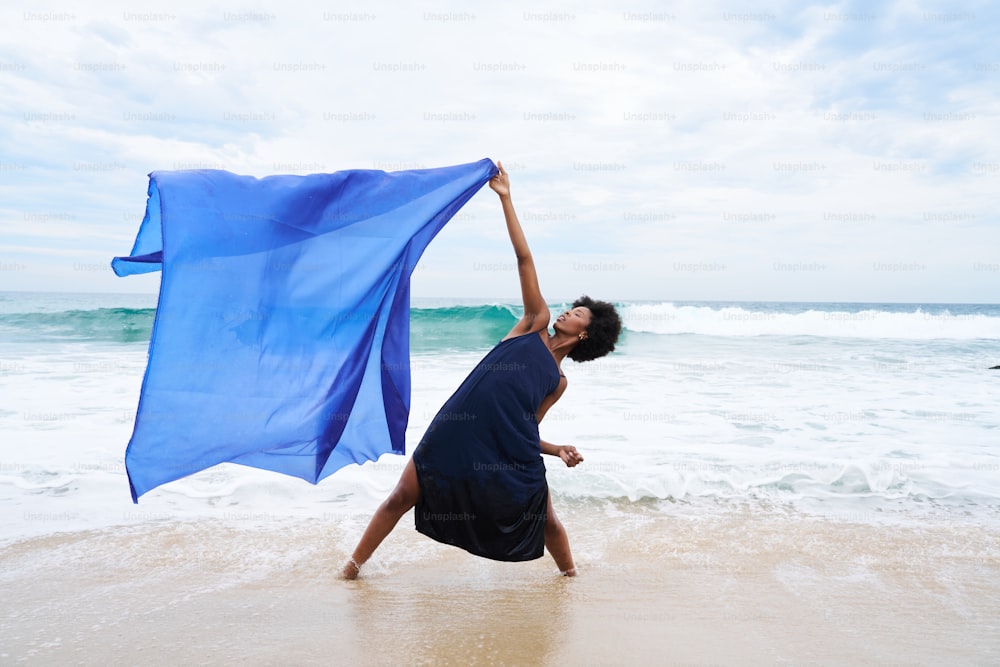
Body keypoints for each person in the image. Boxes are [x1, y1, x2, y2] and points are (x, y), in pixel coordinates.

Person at [341, 161, 621, 579]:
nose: (567, 311)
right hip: (458, 428)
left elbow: (525, 428)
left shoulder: (558, 382)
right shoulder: (533, 324)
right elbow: (524, 259)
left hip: (508, 452)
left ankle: (570, 578)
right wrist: (506, 199)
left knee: (545, 520)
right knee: (402, 495)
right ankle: (350, 569)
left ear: (586, 334)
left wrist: (557, 448)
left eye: (577, 313)